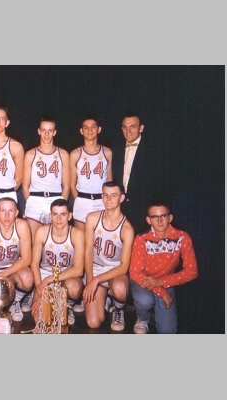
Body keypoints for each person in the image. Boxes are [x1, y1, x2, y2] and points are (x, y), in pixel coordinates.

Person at [129, 201, 198, 334]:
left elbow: (192, 271)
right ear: (148, 220)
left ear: (170, 217)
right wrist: (161, 292)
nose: (159, 221)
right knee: (145, 301)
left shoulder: (182, 237)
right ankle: (143, 319)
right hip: (143, 280)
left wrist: (161, 282)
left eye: (163, 216)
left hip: (166, 281)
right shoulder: (141, 239)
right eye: (155, 217)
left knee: (167, 331)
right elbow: (135, 273)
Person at [69, 113, 113, 313]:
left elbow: (110, 181)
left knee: (99, 244)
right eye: (85, 127)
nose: (89, 130)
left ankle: (104, 291)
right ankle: (81, 292)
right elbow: (72, 184)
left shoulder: (107, 152)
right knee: (83, 245)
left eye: (93, 126)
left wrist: (107, 203)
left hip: (102, 201)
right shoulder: (75, 154)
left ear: (99, 129)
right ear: (81, 131)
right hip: (83, 201)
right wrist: (81, 200)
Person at [83, 181, 134, 332]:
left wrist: (96, 280)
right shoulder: (92, 218)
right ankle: (106, 300)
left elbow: (124, 267)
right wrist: (90, 279)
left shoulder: (127, 229)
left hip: (115, 272)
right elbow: (88, 251)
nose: (108, 199)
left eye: (113, 195)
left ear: (122, 198)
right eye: (105, 195)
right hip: (95, 269)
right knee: (93, 323)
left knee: (120, 289)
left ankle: (118, 308)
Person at [30, 198, 85, 326]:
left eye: (63, 214)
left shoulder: (77, 234)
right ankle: (39, 297)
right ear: (50, 216)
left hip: (67, 277)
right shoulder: (42, 232)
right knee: (40, 319)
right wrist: (40, 289)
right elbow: (34, 263)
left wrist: (50, 279)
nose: (58, 219)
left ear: (69, 216)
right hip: (45, 275)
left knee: (74, 288)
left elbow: (78, 270)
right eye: (55, 214)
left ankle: (68, 306)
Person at [112, 112, 161, 234]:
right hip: (120, 208)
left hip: (143, 208)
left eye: (132, 127)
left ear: (141, 128)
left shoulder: (153, 150)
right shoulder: (116, 149)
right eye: (125, 127)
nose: (128, 131)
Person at [23, 116, 70, 239]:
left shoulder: (63, 154)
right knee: (33, 240)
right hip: (35, 198)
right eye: (43, 130)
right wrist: (31, 201)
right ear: (39, 131)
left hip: (55, 197)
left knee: (53, 240)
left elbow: (66, 186)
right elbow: (25, 186)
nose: (46, 134)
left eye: (50, 131)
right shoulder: (30, 154)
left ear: (55, 132)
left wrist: (61, 204)